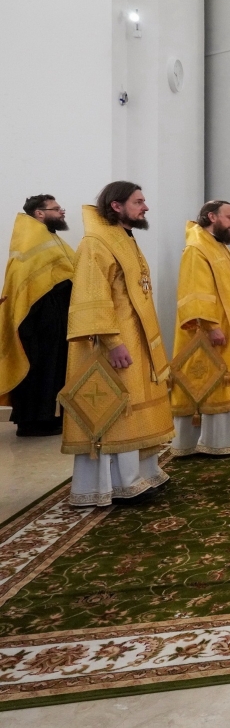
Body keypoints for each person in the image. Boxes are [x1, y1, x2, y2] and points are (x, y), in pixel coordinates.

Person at [62, 182, 173, 507]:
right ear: (116, 205)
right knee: (117, 408)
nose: (145, 207)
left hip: (137, 338)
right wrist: (112, 343)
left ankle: (142, 474)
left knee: (137, 405)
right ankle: (118, 483)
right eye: (138, 201)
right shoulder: (95, 243)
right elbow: (92, 297)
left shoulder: (124, 238)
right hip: (112, 343)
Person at [169, 201, 230, 456]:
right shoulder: (197, 248)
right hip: (211, 330)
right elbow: (195, 291)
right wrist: (211, 326)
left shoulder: (219, 246)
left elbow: (228, 282)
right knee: (214, 381)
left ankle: (229, 439)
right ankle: (210, 440)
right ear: (212, 217)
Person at [0, 195, 75, 436]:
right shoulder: (32, 239)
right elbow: (30, 283)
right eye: (56, 208)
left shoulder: (50, 237)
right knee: (38, 370)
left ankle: (46, 417)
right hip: (37, 320)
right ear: (39, 213)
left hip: (52, 318)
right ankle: (31, 422)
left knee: (52, 369)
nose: (62, 212)